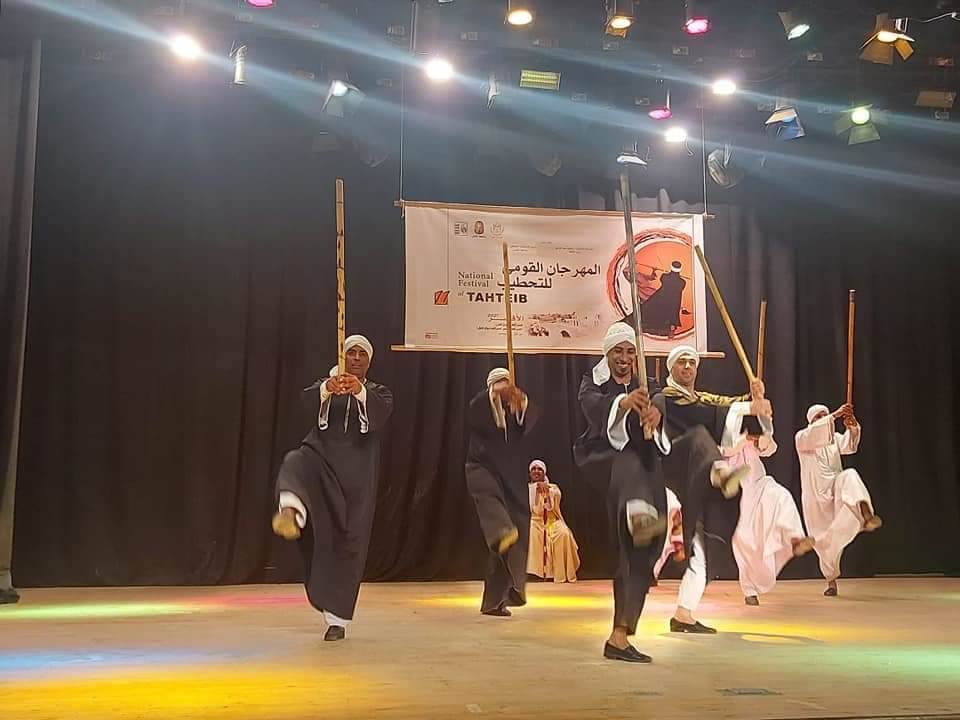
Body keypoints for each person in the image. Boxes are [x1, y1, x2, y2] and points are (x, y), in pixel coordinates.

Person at [271, 335, 393, 641]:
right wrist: (328, 387)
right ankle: (291, 512)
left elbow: (381, 413)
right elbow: (305, 401)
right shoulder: (325, 386)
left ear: (369, 362)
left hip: (356, 480)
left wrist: (358, 391)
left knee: (347, 544)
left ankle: (337, 620)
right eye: (350, 352)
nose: (355, 358)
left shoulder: (378, 393)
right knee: (296, 462)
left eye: (361, 354)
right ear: (342, 357)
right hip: (321, 462)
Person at [574, 322, 673, 663]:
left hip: (647, 470)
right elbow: (592, 405)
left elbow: (662, 398)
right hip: (607, 462)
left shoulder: (649, 382)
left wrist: (655, 412)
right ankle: (636, 510)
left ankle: (619, 635)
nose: (625, 358)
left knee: (641, 555)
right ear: (607, 353)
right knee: (628, 461)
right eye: (618, 351)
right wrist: (624, 402)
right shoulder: (593, 382)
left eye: (630, 351)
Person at [654, 344, 769, 634]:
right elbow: (699, 411)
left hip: (697, 482)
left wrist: (753, 397)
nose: (687, 367)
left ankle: (683, 614)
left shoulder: (702, 397)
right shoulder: (665, 397)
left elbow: (722, 403)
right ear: (671, 368)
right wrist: (747, 406)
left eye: (692, 363)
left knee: (706, 551)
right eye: (681, 362)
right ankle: (720, 473)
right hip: (674, 469)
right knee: (700, 438)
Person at [465, 368, 539, 617]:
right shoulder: (480, 405)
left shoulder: (515, 409)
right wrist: (495, 394)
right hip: (482, 468)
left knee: (514, 536)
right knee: (493, 507)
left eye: (507, 382)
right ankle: (500, 529)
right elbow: (475, 411)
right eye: (498, 383)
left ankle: (498, 600)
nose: (504, 387)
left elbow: (530, 420)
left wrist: (521, 401)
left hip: (512, 477)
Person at [796, 403, 882, 597]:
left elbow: (850, 446)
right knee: (824, 542)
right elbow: (815, 433)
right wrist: (835, 415)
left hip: (836, 488)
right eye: (819, 417)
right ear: (811, 421)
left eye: (824, 415)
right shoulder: (802, 438)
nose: (823, 419)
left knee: (850, 475)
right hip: (816, 498)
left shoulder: (833, 438)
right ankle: (831, 581)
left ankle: (866, 515)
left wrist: (852, 427)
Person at [728, 429, 814, 606]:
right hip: (746, 494)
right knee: (745, 542)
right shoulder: (730, 441)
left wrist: (761, 438)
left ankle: (795, 539)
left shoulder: (753, 437)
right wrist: (744, 439)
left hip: (763, 483)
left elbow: (771, 448)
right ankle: (749, 590)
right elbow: (725, 452)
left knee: (783, 497)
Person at [527, 460, 580, 583]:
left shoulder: (553, 487)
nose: (536, 471)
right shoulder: (526, 488)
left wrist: (547, 490)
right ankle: (537, 574)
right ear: (530, 473)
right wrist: (536, 490)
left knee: (564, 533)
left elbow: (556, 498)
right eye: (533, 469)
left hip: (552, 521)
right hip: (535, 522)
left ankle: (560, 573)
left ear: (544, 472)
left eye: (539, 469)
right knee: (531, 532)